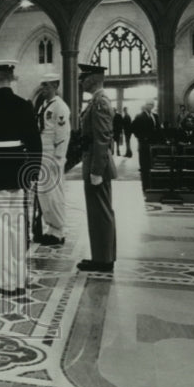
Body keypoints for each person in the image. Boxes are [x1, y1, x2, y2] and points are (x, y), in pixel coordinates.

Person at [0, 60, 42, 297]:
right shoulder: (24, 105)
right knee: (16, 227)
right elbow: (35, 141)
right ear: (11, 79)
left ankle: (4, 281)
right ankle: (19, 276)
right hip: (18, 173)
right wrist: (32, 172)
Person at [76, 64, 117, 274]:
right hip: (93, 160)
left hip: (96, 163)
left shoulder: (100, 102)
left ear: (94, 78)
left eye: (84, 77)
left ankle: (103, 260)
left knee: (100, 212)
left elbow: (102, 137)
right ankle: (102, 256)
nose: (81, 80)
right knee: (98, 212)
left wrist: (97, 170)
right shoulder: (96, 101)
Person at [34, 72, 70, 246]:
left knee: (54, 193)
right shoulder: (44, 106)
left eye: (47, 85)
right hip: (42, 154)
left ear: (55, 86)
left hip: (52, 154)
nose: (43, 89)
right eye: (42, 85)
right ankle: (50, 228)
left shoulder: (60, 107)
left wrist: (59, 157)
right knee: (44, 193)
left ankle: (59, 230)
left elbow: (63, 134)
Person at [130, 100, 159, 193]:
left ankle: (152, 185)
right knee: (144, 166)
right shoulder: (139, 116)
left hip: (153, 144)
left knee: (151, 165)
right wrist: (141, 138)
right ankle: (145, 187)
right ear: (145, 105)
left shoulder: (155, 116)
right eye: (149, 104)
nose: (150, 106)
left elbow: (158, 129)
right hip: (144, 144)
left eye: (152, 105)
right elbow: (133, 128)